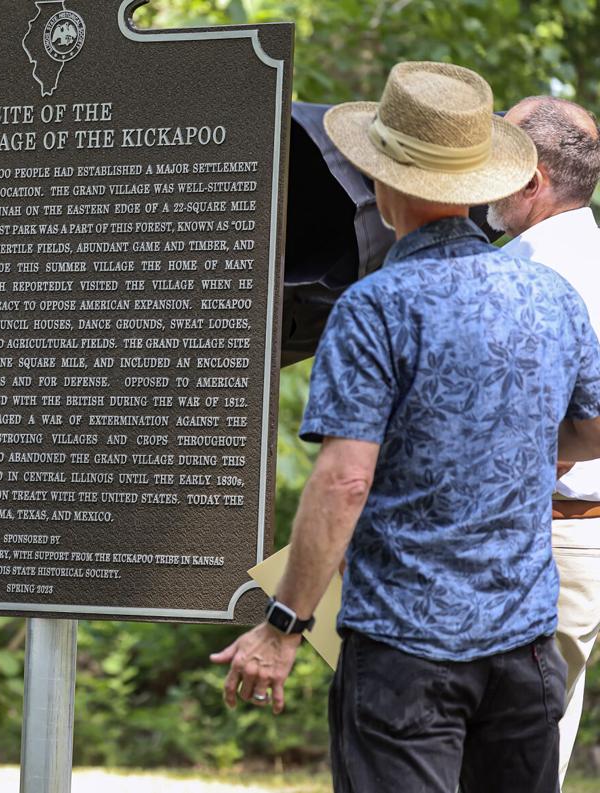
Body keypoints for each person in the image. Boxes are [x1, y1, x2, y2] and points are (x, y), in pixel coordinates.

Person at [212, 61, 600, 792]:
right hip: (524, 656)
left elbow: (345, 478)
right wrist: (519, 450)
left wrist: (282, 625)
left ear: (382, 179)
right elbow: (594, 428)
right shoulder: (551, 295)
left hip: (403, 658)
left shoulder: (376, 306)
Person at [485, 95, 600, 785]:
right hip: (583, 542)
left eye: (497, 160)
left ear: (533, 181)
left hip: (530, 533)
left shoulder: (523, 269)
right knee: (540, 756)